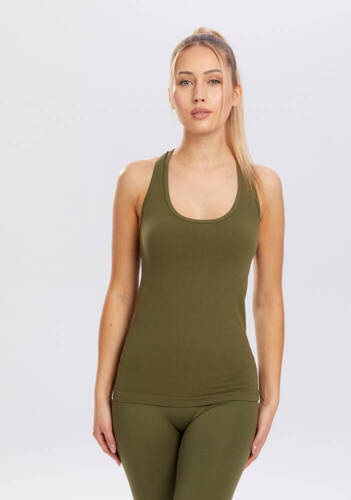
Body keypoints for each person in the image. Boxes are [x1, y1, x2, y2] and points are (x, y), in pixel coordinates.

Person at [93, 27, 285, 500]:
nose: (199, 94)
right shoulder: (137, 181)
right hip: (141, 396)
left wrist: (271, 393)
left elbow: (267, 298)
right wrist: (101, 392)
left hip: (227, 394)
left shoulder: (263, 187)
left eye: (213, 81)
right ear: (171, 95)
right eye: (186, 81)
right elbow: (121, 290)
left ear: (235, 94)